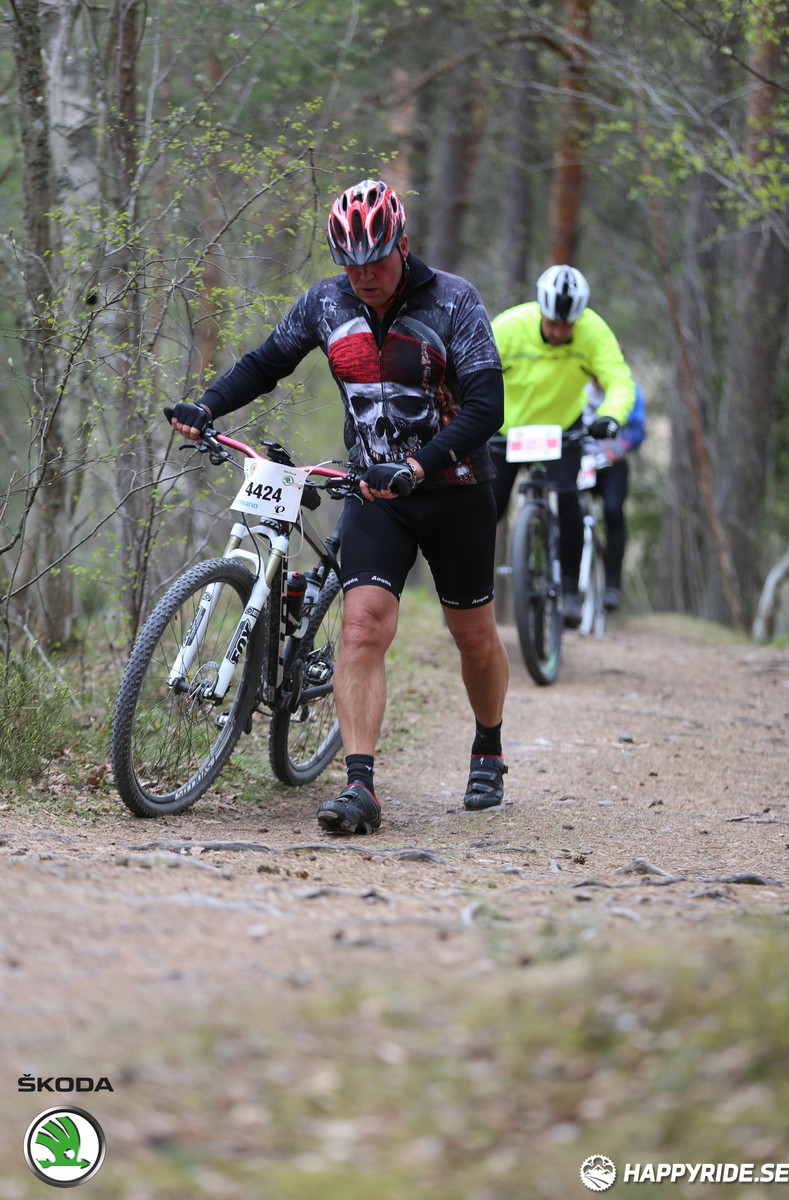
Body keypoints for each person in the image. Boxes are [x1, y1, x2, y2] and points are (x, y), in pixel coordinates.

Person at [169, 179, 510, 835]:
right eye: (349, 263)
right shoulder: (328, 304)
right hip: (375, 497)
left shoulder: (454, 302)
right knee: (361, 628)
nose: (362, 276)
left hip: (457, 493)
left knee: (473, 635)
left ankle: (488, 745)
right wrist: (207, 406)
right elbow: (267, 361)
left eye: (375, 260)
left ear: (402, 246)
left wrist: (418, 465)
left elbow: (486, 407)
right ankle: (360, 787)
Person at [490, 265, 635, 628]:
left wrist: (611, 415)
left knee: (569, 498)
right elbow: (471, 367)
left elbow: (619, 379)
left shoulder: (593, 330)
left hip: (561, 430)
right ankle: (465, 591)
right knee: (483, 508)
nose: (558, 332)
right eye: (552, 322)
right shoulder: (510, 326)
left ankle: (569, 585)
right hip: (506, 430)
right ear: (540, 309)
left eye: (566, 325)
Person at [582, 375, 647, 610]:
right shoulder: (574, 383)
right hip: (579, 464)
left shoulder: (630, 389)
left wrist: (622, 446)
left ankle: (612, 586)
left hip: (612, 465)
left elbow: (638, 430)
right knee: (569, 512)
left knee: (613, 511)